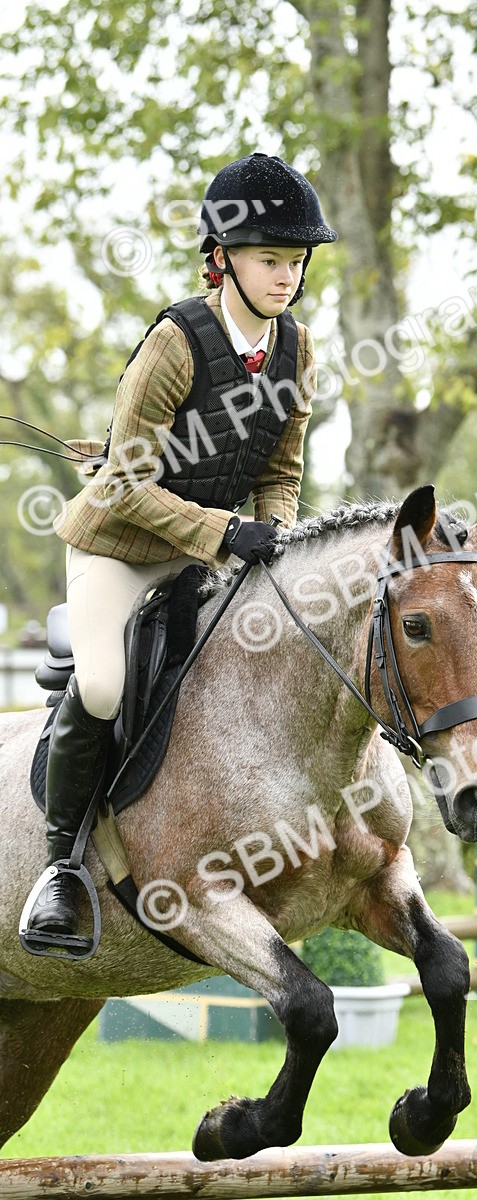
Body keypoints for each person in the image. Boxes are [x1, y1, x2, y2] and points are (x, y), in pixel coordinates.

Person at [24, 152, 337, 941]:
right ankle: (60, 869)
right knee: (100, 686)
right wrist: (229, 533)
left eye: (295, 262)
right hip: (117, 550)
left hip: (207, 552)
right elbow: (126, 487)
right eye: (271, 260)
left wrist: (282, 543)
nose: (286, 278)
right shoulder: (175, 343)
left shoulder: (296, 353)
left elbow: (281, 472)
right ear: (222, 257)